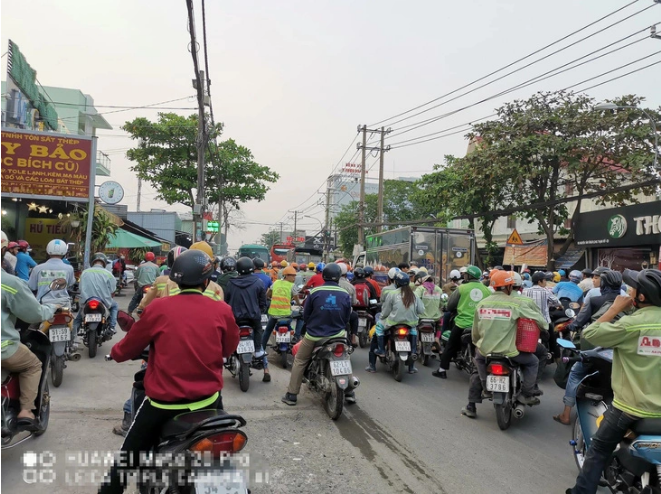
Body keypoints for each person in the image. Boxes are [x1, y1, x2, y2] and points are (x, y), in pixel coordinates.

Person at [99, 249, 239, 494]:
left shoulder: (159, 308)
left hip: (164, 404)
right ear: (206, 281)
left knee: (126, 458)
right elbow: (229, 347)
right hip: (209, 401)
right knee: (220, 453)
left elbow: (130, 345)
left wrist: (118, 354)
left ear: (175, 278)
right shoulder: (221, 310)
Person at [566, 269, 661, 494]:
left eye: (632, 287)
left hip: (631, 408)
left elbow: (590, 334)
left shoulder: (629, 324)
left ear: (640, 297)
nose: (627, 290)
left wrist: (616, 308)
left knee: (598, 448)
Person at [461, 271, 547, 419]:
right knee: (533, 362)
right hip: (510, 352)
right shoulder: (516, 303)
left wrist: (478, 344)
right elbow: (543, 322)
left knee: (478, 363)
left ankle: (480, 393)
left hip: (485, 351)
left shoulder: (482, 303)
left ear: (493, 287)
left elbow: (475, 332)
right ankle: (526, 394)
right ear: (509, 287)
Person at [553, 270, 625, 426]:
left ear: (604, 284)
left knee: (575, 373)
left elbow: (579, 322)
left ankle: (566, 414)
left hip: (594, 351)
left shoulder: (595, 300)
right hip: (620, 354)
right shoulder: (628, 303)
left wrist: (569, 327)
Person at [1, 239, 58, 428]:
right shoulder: (9, 282)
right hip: (4, 348)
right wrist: (50, 308)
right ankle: (26, 410)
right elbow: (34, 313)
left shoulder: (34, 267)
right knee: (33, 364)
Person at [282, 263, 352, 406]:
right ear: (339, 277)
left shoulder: (314, 292)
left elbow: (306, 315)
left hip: (314, 335)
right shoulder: (344, 293)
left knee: (300, 360)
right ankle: (350, 392)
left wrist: (310, 325)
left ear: (323, 275)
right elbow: (347, 317)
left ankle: (291, 395)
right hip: (338, 335)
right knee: (344, 359)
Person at [434, 265, 490, 379]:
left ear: (468, 276)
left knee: (450, 345)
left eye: (465, 274)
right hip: (480, 325)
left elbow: (450, 305)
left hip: (462, 324)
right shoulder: (487, 290)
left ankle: (442, 370)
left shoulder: (462, 288)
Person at [225, 257, 269, 382]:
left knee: (228, 332)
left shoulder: (231, 282)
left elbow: (226, 301)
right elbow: (262, 301)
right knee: (259, 329)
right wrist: (260, 310)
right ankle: (258, 349)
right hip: (253, 316)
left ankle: (226, 351)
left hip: (235, 317)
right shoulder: (259, 282)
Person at [376, 271, 425, 374]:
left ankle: (381, 350)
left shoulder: (392, 293)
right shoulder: (414, 295)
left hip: (393, 322)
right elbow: (421, 310)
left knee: (379, 328)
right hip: (410, 324)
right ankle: (412, 360)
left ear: (396, 282)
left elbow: (386, 311)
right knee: (414, 332)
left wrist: (382, 318)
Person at [262, 266, 300, 379]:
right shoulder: (292, 286)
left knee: (268, 330)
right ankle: (296, 337)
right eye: (292, 275)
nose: (294, 278)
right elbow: (297, 299)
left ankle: (261, 349)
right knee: (297, 321)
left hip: (273, 314)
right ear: (286, 275)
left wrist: (270, 298)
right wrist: (298, 304)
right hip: (286, 315)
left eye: (294, 275)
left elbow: (268, 294)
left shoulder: (276, 283)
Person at [75, 253, 118, 340]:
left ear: (92, 262)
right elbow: (113, 290)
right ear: (104, 262)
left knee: (78, 320)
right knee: (115, 306)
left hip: (86, 301)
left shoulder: (84, 272)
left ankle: (72, 337)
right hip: (103, 302)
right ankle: (112, 327)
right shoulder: (109, 274)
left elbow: (80, 287)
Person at [28, 239, 75, 305]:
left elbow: (32, 286)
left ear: (47, 251)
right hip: (63, 304)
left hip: (43, 305)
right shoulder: (69, 269)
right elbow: (70, 284)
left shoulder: (38, 268)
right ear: (65, 252)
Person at [338, 262, 359, 345]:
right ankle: (353, 337)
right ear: (346, 274)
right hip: (346, 313)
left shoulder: (331, 285)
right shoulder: (350, 286)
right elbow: (353, 302)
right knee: (355, 316)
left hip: (331, 312)